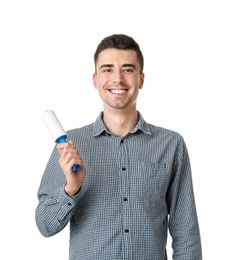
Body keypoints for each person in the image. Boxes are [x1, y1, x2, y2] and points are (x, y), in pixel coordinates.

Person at [35, 34, 202, 260]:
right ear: (95, 79)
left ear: (141, 79)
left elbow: (186, 234)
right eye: (107, 69)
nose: (118, 79)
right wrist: (70, 189)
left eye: (127, 69)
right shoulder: (70, 147)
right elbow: (45, 225)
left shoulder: (171, 145)